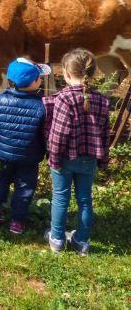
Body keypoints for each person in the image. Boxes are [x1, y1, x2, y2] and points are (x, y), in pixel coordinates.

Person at [0, 58, 48, 235]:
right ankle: (17, 221)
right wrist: (51, 154)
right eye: (39, 78)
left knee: (2, 179)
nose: (41, 81)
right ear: (34, 81)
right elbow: (46, 134)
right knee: (25, 187)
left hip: (3, 153)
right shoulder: (42, 106)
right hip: (30, 156)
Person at [43, 49, 110, 256]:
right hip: (89, 159)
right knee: (85, 199)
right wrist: (104, 159)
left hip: (64, 158)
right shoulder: (102, 100)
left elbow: (58, 133)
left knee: (61, 198)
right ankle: (82, 240)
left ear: (66, 73)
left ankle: (57, 238)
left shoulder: (64, 99)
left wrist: (53, 158)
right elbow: (105, 134)